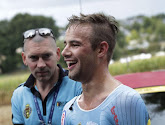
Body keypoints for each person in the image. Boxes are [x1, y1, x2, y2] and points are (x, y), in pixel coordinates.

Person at [61, 13, 151, 125]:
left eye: (74, 45)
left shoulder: (126, 101)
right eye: (65, 44)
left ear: (101, 49)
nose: (64, 52)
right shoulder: (69, 109)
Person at [11, 28, 82, 125]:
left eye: (46, 56)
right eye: (33, 58)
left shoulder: (79, 87)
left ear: (57, 54)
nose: (41, 65)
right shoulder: (19, 96)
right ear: (24, 58)